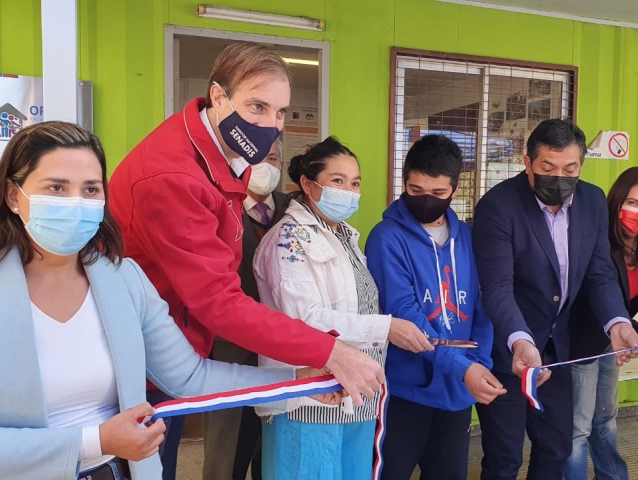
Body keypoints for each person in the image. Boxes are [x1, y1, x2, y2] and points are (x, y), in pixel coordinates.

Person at [0, 122, 336, 480]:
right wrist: (97, 442)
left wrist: (293, 382)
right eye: (56, 188)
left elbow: (189, 377)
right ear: (14, 195)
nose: (77, 202)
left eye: (90, 189)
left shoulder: (123, 278)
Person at [108, 43, 383, 479]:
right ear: (219, 96)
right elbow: (217, 301)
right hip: (142, 363)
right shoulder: (175, 176)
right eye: (257, 106)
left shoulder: (216, 152)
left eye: (280, 112)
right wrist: (329, 351)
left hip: (179, 348)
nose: (270, 125)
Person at [472, 119, 638, 480]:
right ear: (528, 161)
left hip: (558, 350)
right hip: (509, 350)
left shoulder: (592, 200)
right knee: (504, 458)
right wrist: (520, 340)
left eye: (571, 169)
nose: (560, 178)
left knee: (557, 448)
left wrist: (618, 322)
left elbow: (599, 273)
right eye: (548, 168)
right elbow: (497, 287)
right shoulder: (498, 206)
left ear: (581, 164)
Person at [253, 137, 429, 480]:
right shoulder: (288, 238)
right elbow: (305, 320)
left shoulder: (346, 235)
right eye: (337, 181)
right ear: (308, 183)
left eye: (355, 183)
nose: (348, 191)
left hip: (356, 394)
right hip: (310, 401)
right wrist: (387, 327)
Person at [365, 134, 505, 480]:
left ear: (455, 189)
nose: (426, 200)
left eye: (438, 193)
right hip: (403, 390)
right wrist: (464, 368)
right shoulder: (386, 237)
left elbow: (482, 312)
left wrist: (477, 364)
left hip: (457, 393)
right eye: (415, 191)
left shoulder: (470, 239)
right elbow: (405, 314)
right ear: (404, 182)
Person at [564, 167, 638, 480]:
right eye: (633, 202)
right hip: (581, 346)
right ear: (616, 202)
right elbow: (590, 304)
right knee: (577, 429)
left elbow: (621, 309)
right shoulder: (598, 243)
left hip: (612, 346)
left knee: (605, 420)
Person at [203, 138, 288, 480]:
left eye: (271, 157)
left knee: (273, 451)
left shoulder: (295, 208)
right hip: (231, 353)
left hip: (284, 355)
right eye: (252, 156)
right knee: (228, 453)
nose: (263, 165)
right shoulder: (216, 207)